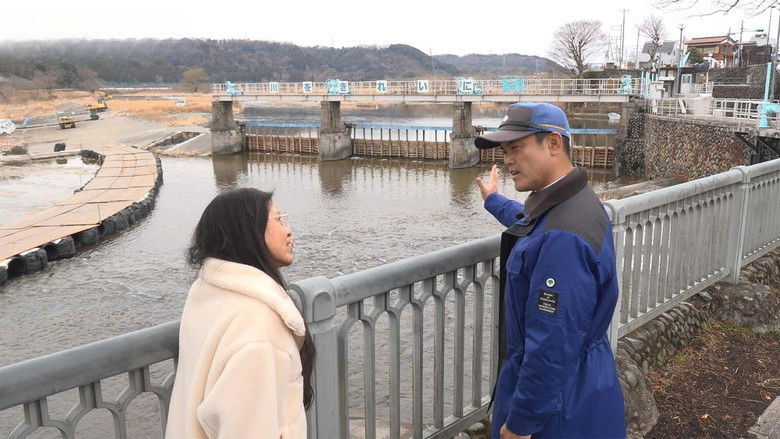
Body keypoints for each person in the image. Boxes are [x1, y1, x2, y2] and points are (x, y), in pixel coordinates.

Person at [473, 102, 626, 439]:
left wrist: (521, 424)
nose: (508, 159)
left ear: (554, 143)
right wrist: (495, 201)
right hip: (581, 388)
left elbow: (551, 344)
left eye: (516, 148)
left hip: (558, 407)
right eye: (504, 150)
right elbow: (533, 225)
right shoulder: (576, 202)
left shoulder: (563, 238)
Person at [166, 188, 314, 439]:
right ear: (248, 232)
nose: (288, 230)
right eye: (278, 219)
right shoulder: (259, 326)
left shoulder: (208, 291)